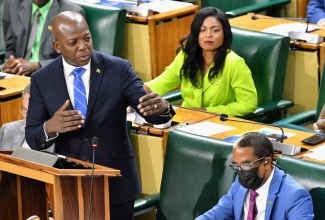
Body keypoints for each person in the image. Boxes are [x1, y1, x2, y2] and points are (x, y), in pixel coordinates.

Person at [25, 11, 175, 219]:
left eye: (87, 38)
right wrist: (50, 127)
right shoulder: (42, 80)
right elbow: (33, 137)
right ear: (57, 46)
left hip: (116, 182)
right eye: (73, 42)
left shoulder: (118, 69)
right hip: (70, 185)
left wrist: (163, 109)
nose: (83, 46)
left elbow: (149, 110)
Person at [144, 7, 257, 117]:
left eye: (215, 30)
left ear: (225, 34)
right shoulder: (186, 56)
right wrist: (138, 92)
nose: (208, 35)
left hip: (218, 122)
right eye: (202, 30)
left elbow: (248, 105)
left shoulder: (234, 63)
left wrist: (207, 111)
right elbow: (163, 82)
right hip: (187, 119)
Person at [196, 132, 314, 220]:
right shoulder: (239, 183)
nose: (240, 171)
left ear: (266, 162)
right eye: (237, 165)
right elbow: (218, 213)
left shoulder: (295, 196)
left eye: (246, 165)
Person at [1, 0, 85, 76]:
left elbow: (74, 58)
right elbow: (10, 47)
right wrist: (11, 64)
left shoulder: (71, 13)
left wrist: (38, 66)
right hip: (18, 75)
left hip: (49, 75)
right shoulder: (12, 4)